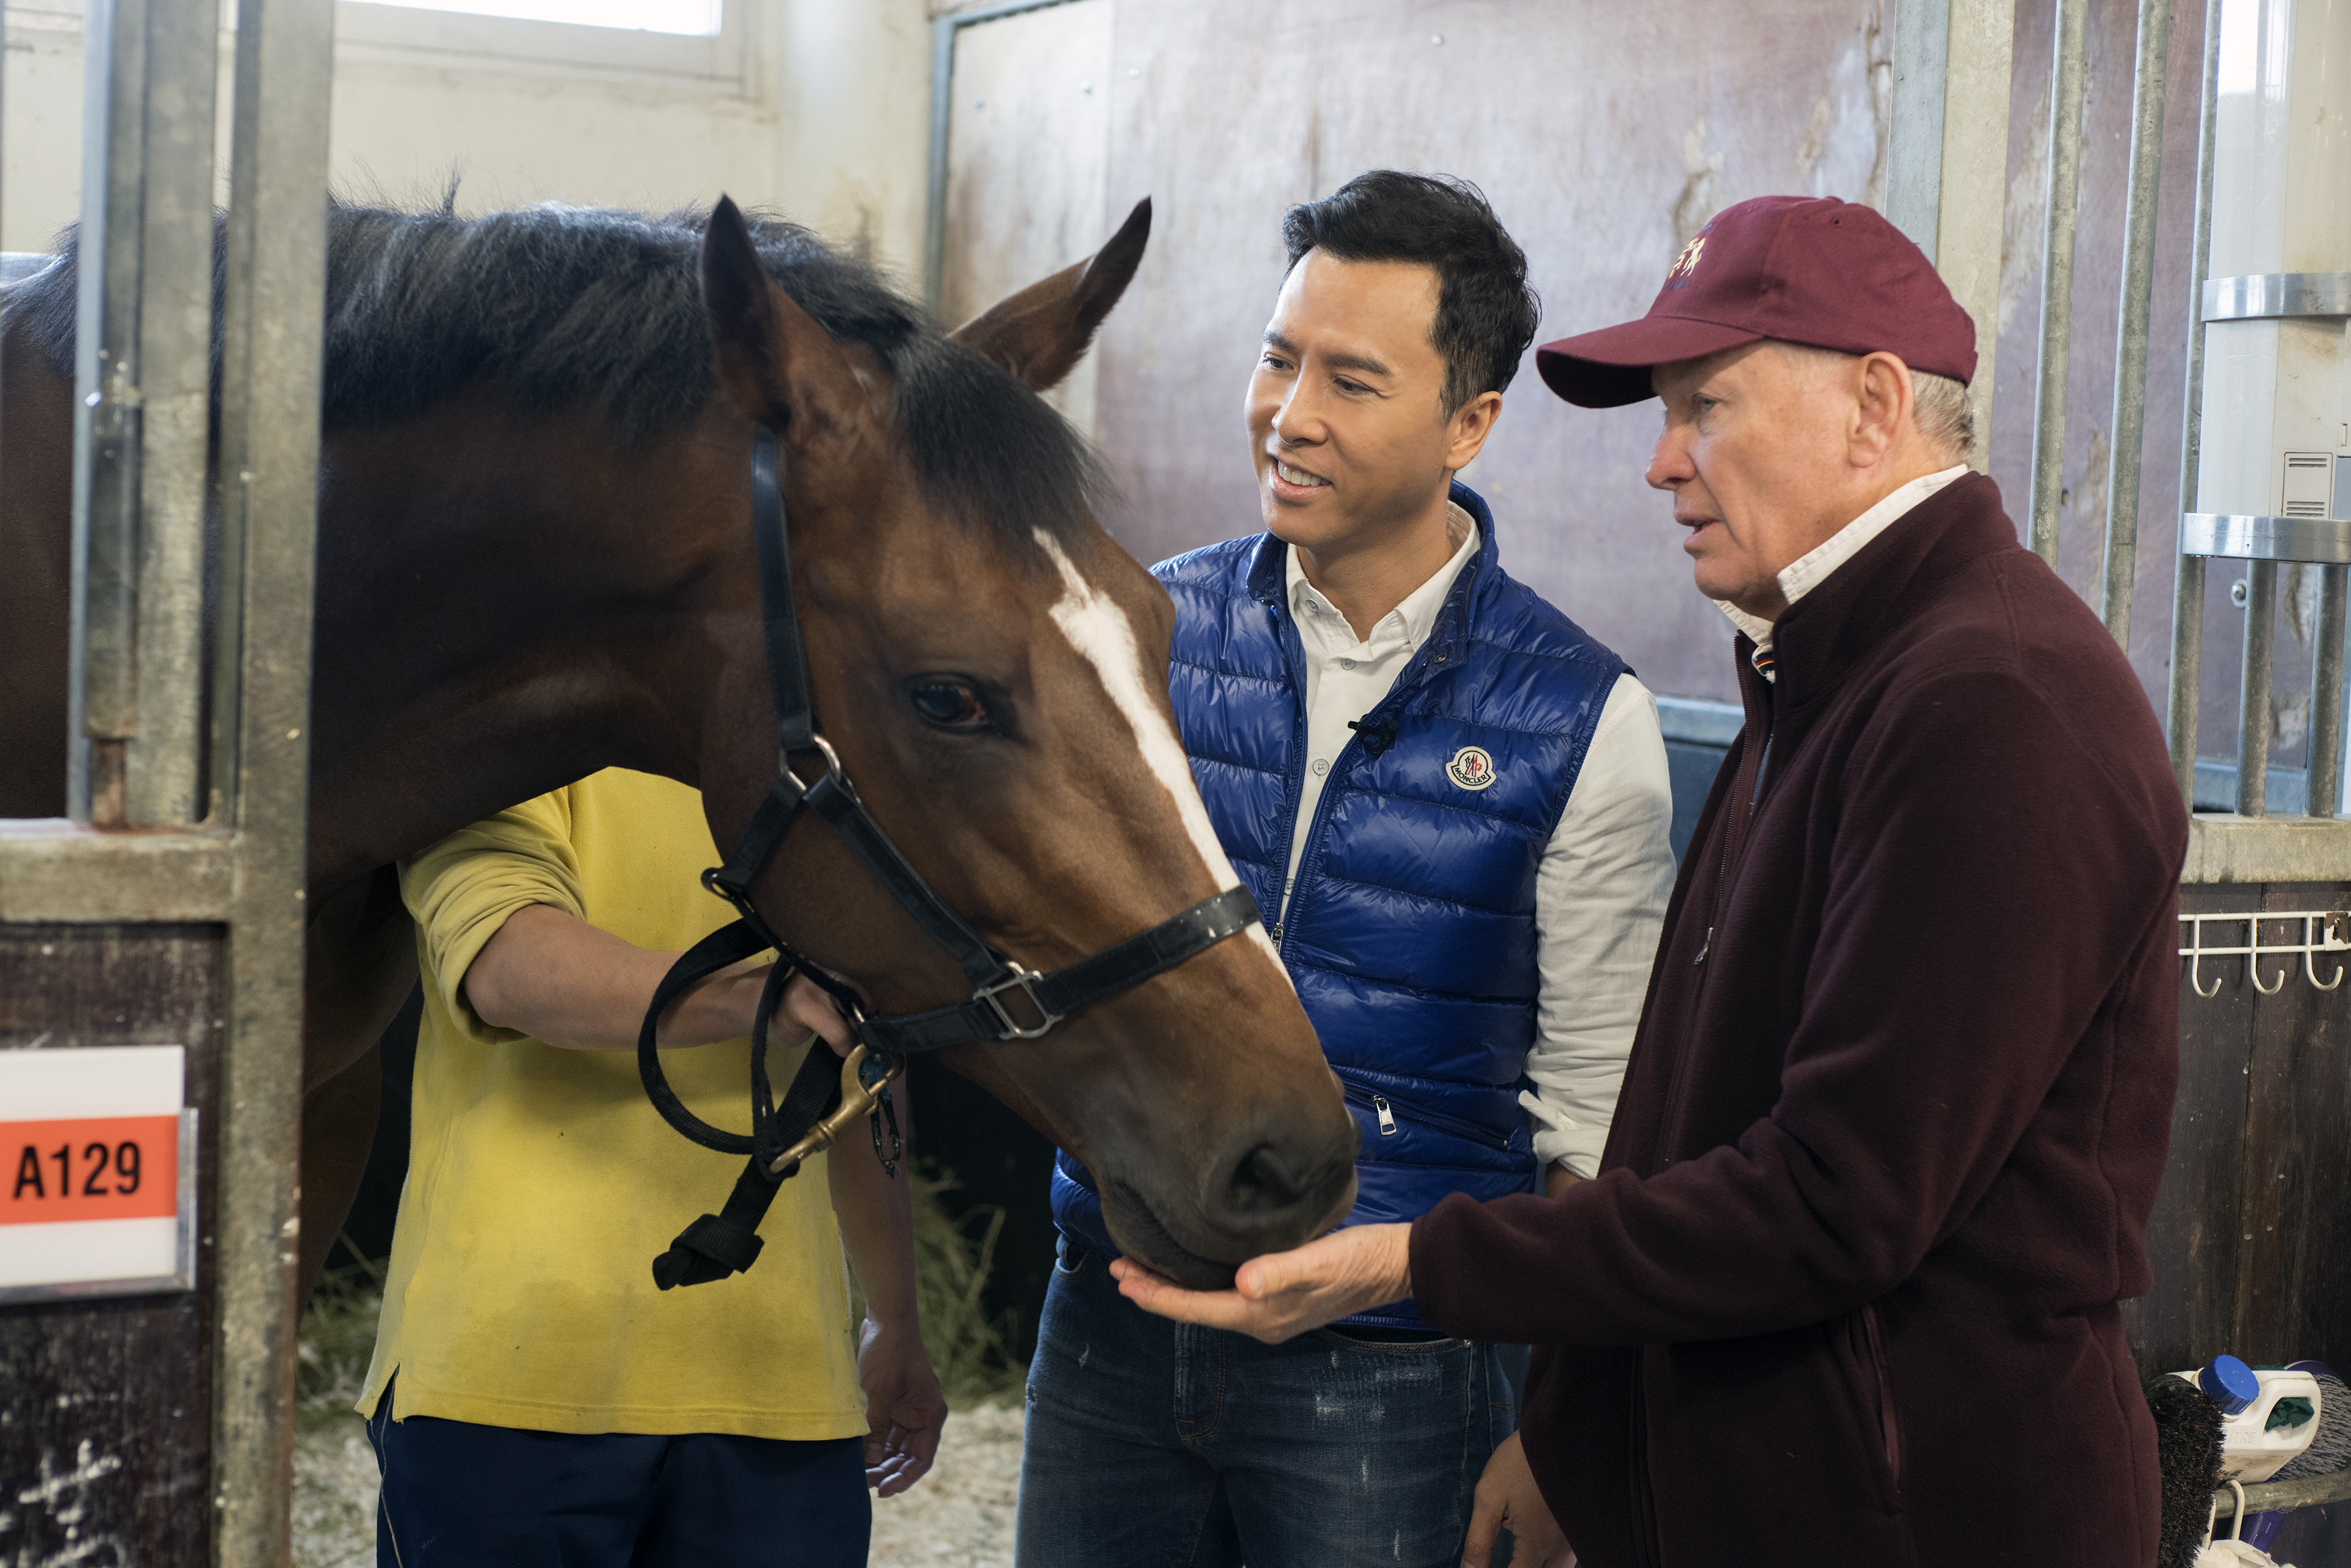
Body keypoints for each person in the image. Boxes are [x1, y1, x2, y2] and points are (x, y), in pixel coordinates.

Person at [1111, 194, 2188, 1568]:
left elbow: (1830, 1202)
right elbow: (1676, 1127)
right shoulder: (1828, 672)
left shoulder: (1991, 703)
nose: (1660, 464)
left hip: (1920, 1510)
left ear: (1869, 405)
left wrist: (1412, 1262)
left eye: (1706, 409)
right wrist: (1572, 1430)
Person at [1014, 171, 1677, 1568]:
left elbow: (1595, 1118)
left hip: (1391, 1363)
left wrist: (1559, 1425)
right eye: (1275, 357)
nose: (1289, 412)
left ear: (1469, 424)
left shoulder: (1577, 717)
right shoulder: (1141, 630)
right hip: (1111, 1321)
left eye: (1351, 381)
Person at [358, 766, 946, 1566]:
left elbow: (863, 1065)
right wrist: (761, 997)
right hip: (510, 1383)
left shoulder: (822, 755)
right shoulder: (507, 731)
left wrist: (894, 1320)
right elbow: (504, 963)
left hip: (780, 1378)